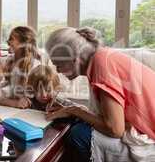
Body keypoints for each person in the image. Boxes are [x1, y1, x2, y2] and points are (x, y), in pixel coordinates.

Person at [45, 27, 155, 161]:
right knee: (77, 123)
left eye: (59, 64)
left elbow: (115, 129)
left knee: (78, 134)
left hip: (150, 136)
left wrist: (76, 110)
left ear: (75, 59)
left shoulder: (102, 65)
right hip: (143, 126)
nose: (57, 70)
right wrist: (72, 110)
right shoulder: (102, 56)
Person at [0, 26, 41, 108]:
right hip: (11, 104)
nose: (7, 41)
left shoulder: (34, 65)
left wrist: (3, 99)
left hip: (26, 108)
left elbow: (30, 98)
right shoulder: (10, 60)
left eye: (11, 39)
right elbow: (4, 88)